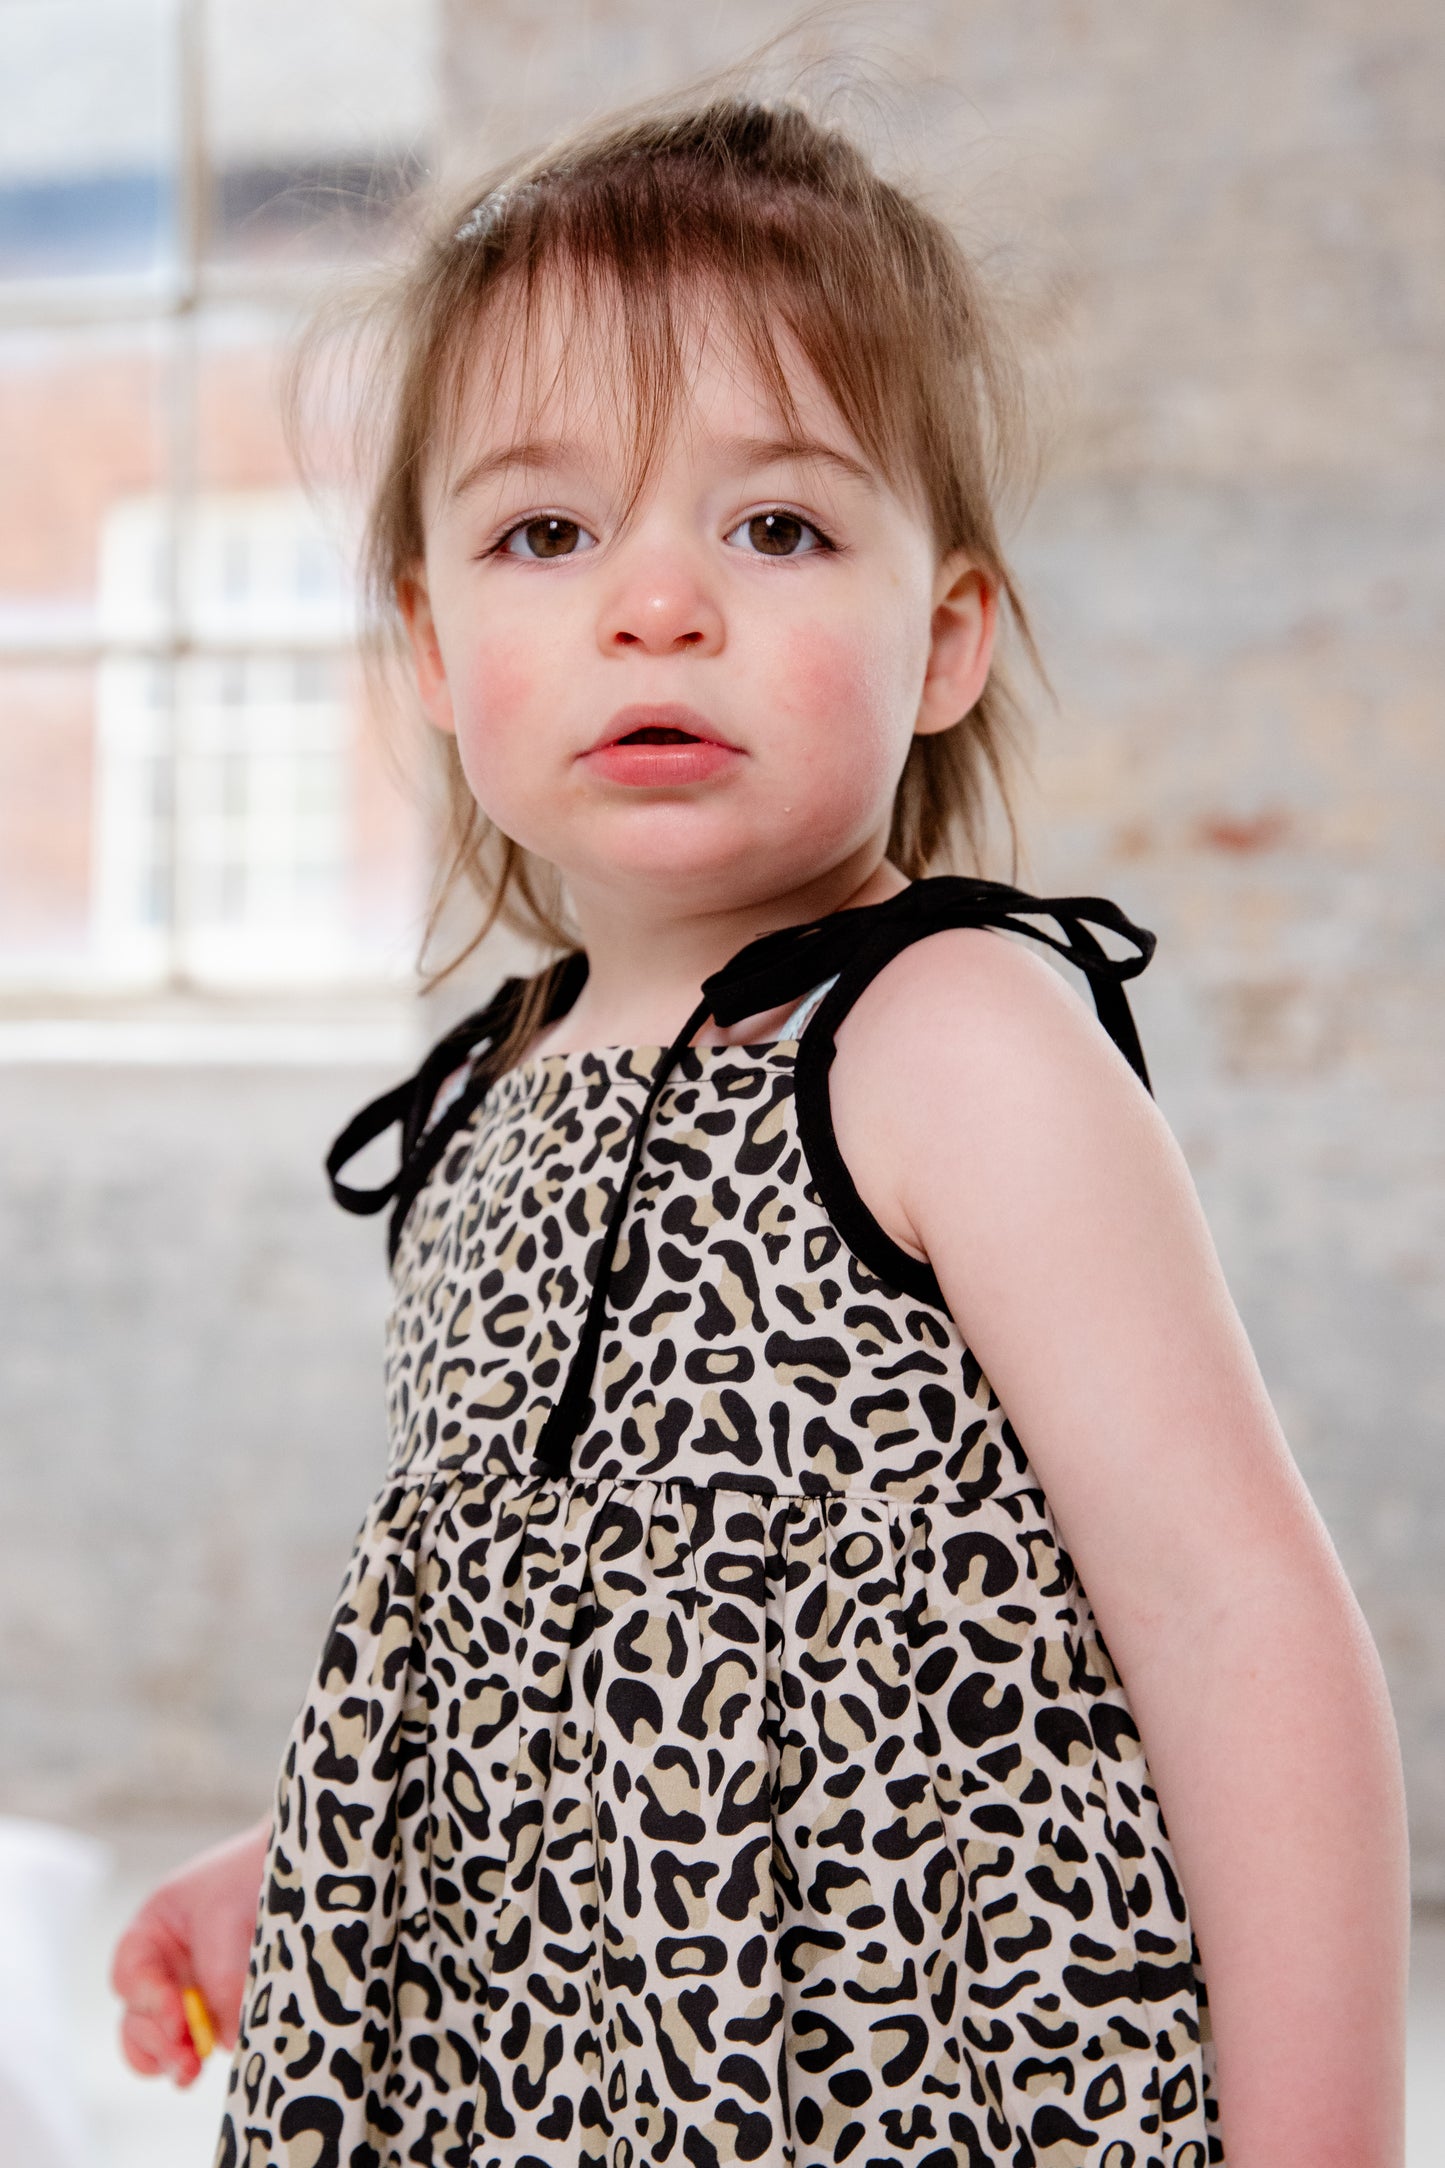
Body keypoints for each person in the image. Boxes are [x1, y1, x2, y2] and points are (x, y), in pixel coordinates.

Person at [110, 92, 1409, 2168]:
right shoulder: (495, 1090)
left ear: (946, 640)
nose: (658, 605)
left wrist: (1324, 2148)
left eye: (777, 526)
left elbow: (1238, 1617)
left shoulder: (938, 1040)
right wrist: (308, 1868)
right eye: (549, 533)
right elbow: (554, 1639)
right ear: (439, 650)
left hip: (901, 2078)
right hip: (553, 2084)